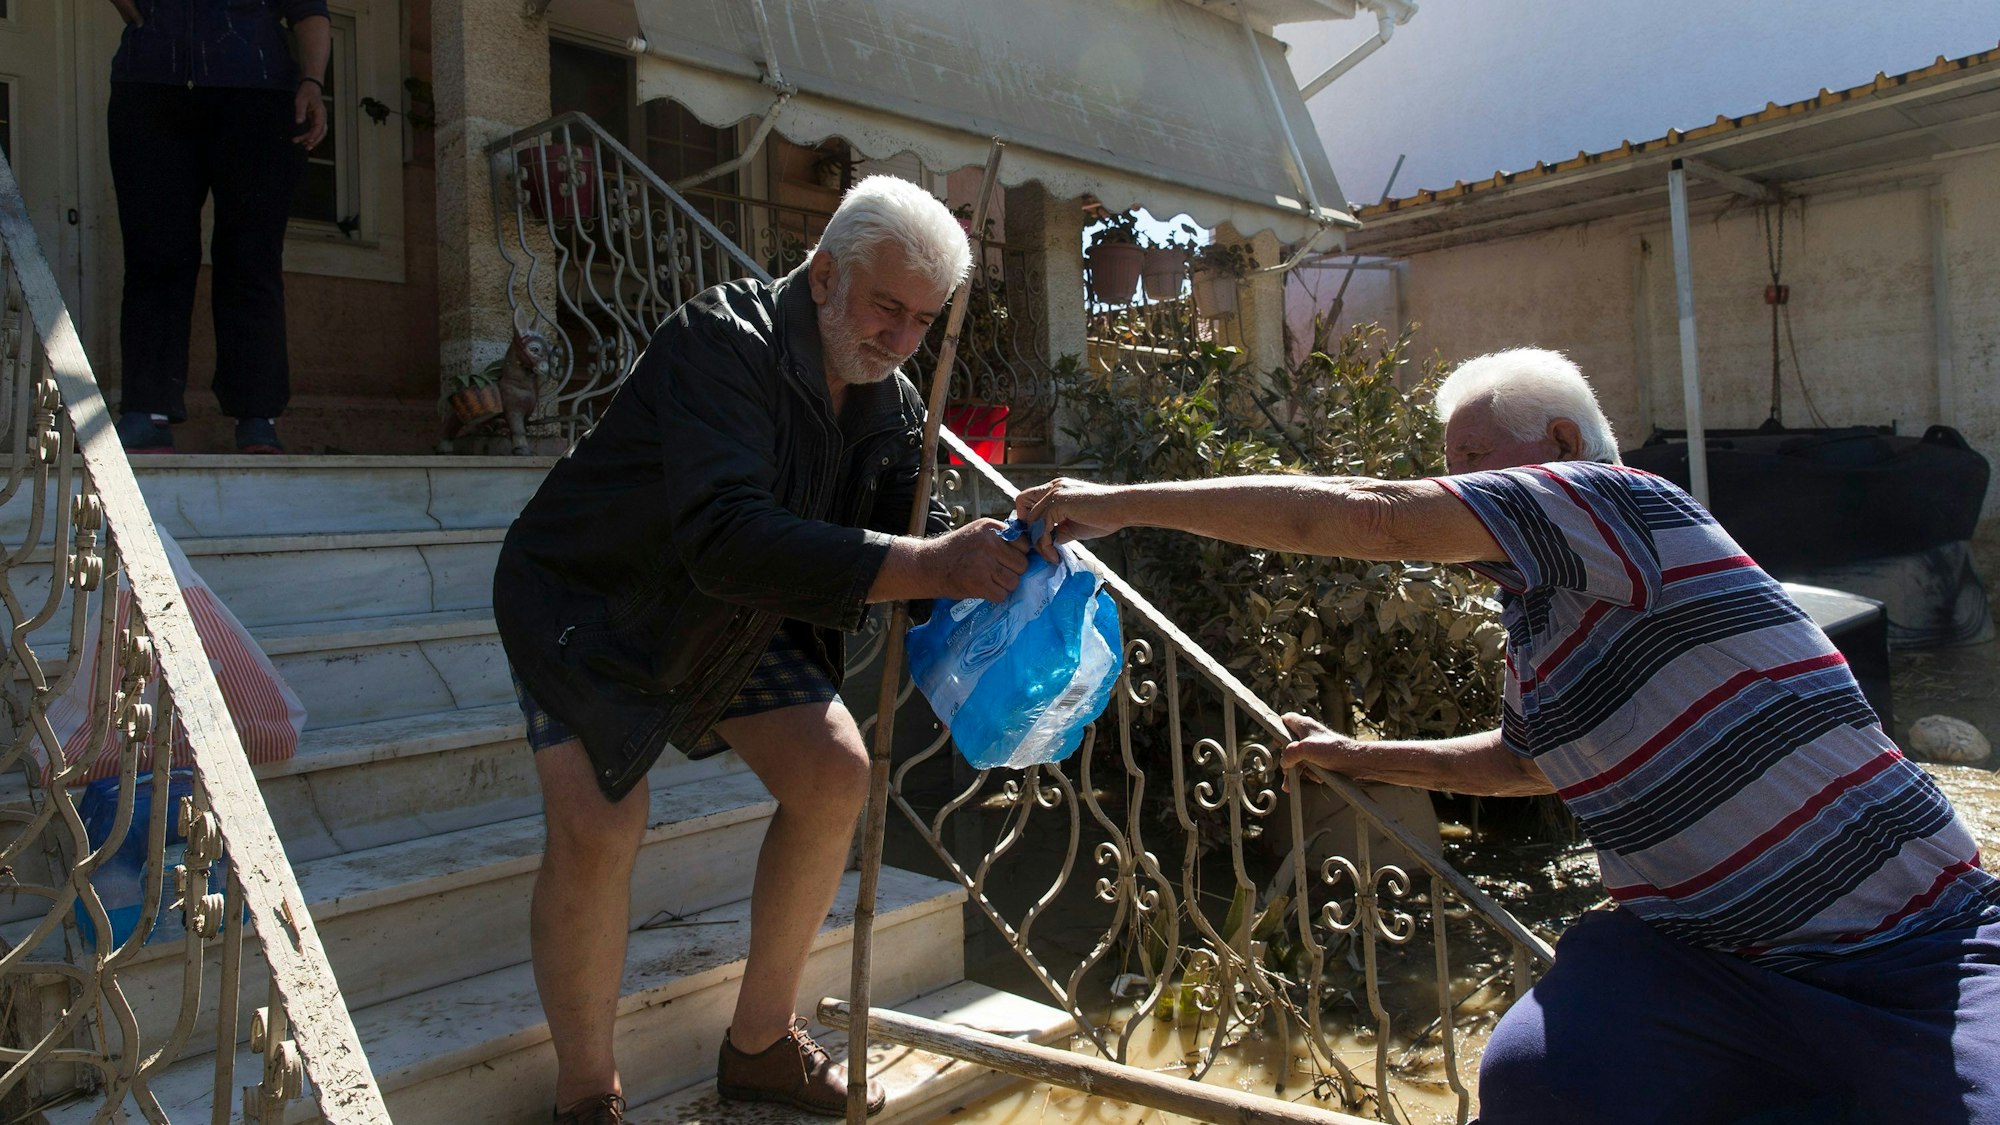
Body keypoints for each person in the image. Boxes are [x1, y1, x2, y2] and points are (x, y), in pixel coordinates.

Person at [1015, 347, 2000, 1123]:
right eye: (1453, 474)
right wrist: (1358, 756)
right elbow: (1524, 762)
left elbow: (1379, 518)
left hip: (1912, 941)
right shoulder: (1537, 618)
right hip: (1701, 960)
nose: (1461, 497)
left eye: (1475, 469)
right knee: (1537, 1089)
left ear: (1563, 443)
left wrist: (1116, 504)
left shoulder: (1622, 506)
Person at [494, 176, 1031, 1125]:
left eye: (922, 321)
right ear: (824, 274)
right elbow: (728, 536)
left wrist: (1011, 563)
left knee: (834, 775)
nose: (901, 341)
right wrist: (927, 561)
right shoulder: (721, 342)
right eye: (885, 308)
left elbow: (909, 529)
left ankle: (759, 1047)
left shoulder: (891, 397)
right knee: (602, 823)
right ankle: (586, 1096)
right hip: (594, 601)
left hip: (738, 616)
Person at [106, 0, 329, 455]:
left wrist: (311, 80)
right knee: (154, 253)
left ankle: (257, 416)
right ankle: (146, 411)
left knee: (251, 258)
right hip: (151, 89)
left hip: (259, 94)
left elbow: (309, 8)